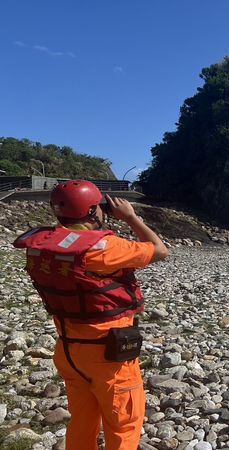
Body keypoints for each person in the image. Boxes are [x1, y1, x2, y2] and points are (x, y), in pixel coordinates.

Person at [13, 180, 168, 450]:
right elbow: (159, 250)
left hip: (69, 352)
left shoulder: (41, 245)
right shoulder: (103, 248)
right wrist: (131, 217)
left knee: (83, 422)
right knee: (124, 425)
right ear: (93, 209)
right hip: (108, 356)